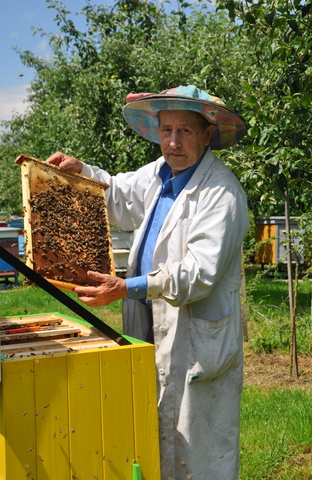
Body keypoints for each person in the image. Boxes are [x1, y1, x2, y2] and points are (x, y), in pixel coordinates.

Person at [46, 85, 249, 480]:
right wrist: (83, 173)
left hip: (195, 341)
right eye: (166, 129)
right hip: (148, 327)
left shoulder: (221, 193)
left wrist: (125, 287)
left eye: (185, 131)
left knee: (199, 453)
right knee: (149, 436)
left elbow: (197, 275)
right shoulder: (158, 174)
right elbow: (120, 195)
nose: (173, 142)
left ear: (208, 134)